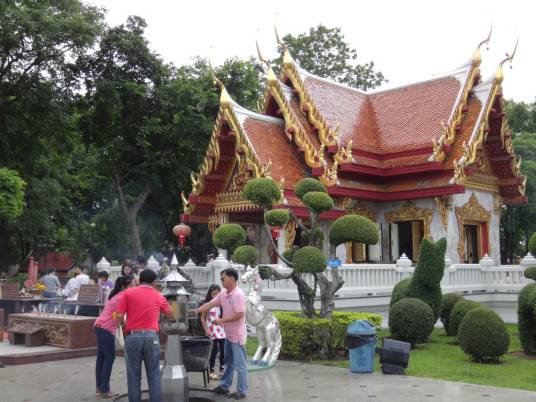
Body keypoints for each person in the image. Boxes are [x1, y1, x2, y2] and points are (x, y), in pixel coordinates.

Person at [115, 269, 174, 402]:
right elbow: (170, 314)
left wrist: (123, 325)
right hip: (151, 337)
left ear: (139, 280)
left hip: (132, 336)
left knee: (133, 376)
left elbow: (118, 315)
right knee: (154, 375)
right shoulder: (158, 295)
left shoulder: (128, 292)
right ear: (154, 281)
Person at [195, 268, 248, 400]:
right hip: (228, 334)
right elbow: (210, 304)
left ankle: (242, 390)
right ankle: (224, 386)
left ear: (232, 278)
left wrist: (221, 321)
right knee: (228, 362)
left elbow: (240, 314)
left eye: (223, 279)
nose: (222, 281)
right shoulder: (224, 294)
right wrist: (195, 310)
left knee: (240, 365)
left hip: (237, 336)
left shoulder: (238, 295)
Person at [94, 274, 136, 398]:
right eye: (132, 286)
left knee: (102, 358)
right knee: (109, 358)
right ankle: (105, 389)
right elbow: (119, 315)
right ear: (124, 286)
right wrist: (124, 326)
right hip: (106, 328)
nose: (134, 288)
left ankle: (100, 387)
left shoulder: (117, 295)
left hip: (100, 326)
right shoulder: (122, 297)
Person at [201, 284, 226, 380]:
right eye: (213, 294)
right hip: (211, 331)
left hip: (222, 331)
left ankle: (222, 368)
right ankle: (211, 370)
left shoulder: (222, 304)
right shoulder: (208, 305)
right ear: (210, 294)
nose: (215, 296)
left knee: (223, 350)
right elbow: (202, 318)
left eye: (217, 294)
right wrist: (206, 330)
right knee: (213, 351)